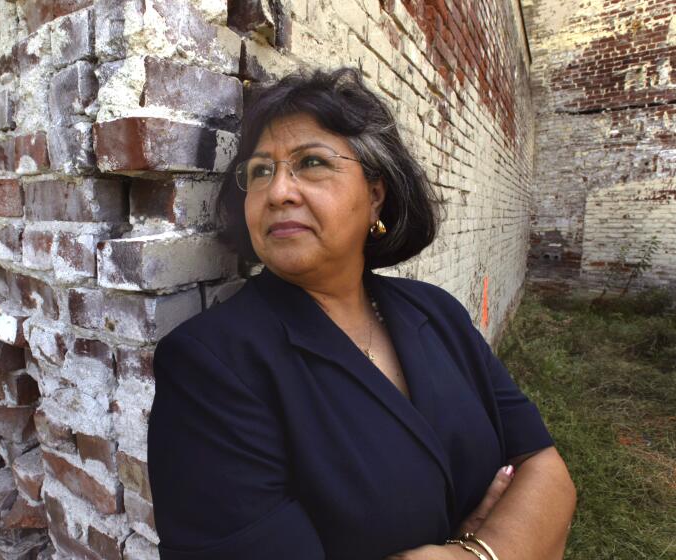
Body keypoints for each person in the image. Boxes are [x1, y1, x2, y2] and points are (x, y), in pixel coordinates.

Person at [146, 67, 576, 560]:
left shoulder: (436, 312)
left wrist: (473, 553)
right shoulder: (212, 365)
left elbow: (545, 467)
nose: (278, 191)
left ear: (376, 194)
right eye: (260, 170)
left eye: (310, 162)